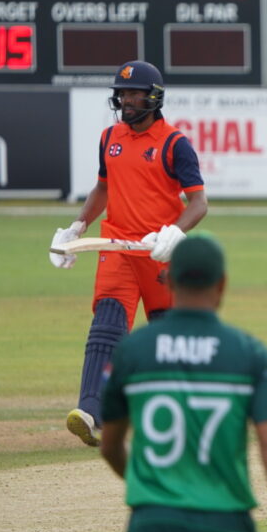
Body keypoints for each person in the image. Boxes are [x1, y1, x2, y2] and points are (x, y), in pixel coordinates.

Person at [99, 235, 267, 532]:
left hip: (153, 525)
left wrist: (149, 485)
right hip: (225, 525)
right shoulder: (249, 353)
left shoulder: (132, 350)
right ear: (223, 284)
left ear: (169, 280)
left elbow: (110, 445)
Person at [49, 60, 207, 447]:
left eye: (135, 93)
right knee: (107, 323)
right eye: (122, 93)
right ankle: (90, 409)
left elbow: (199, 203)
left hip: (157, 251)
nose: (127, 100)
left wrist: (174, 232)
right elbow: (102, 188)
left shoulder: (174, 143)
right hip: (116, 245)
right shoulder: (110, 138)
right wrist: (78, 226)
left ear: (153, 97)